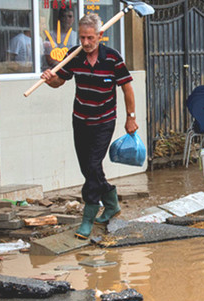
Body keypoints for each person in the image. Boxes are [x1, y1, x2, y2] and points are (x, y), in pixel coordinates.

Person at [41, 13, 137, 239]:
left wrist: (130, 117)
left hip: (104, 121)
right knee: (88, 169)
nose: (85, 43)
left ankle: (88, 217)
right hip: (81, 120)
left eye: (90, 38)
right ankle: (111, 202)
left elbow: (127, 88)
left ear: (100, 36)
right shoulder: (73, 55)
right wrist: (49, 78)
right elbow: (59, 82)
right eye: (82, 38)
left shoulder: (112, 58)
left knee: (93, 164)